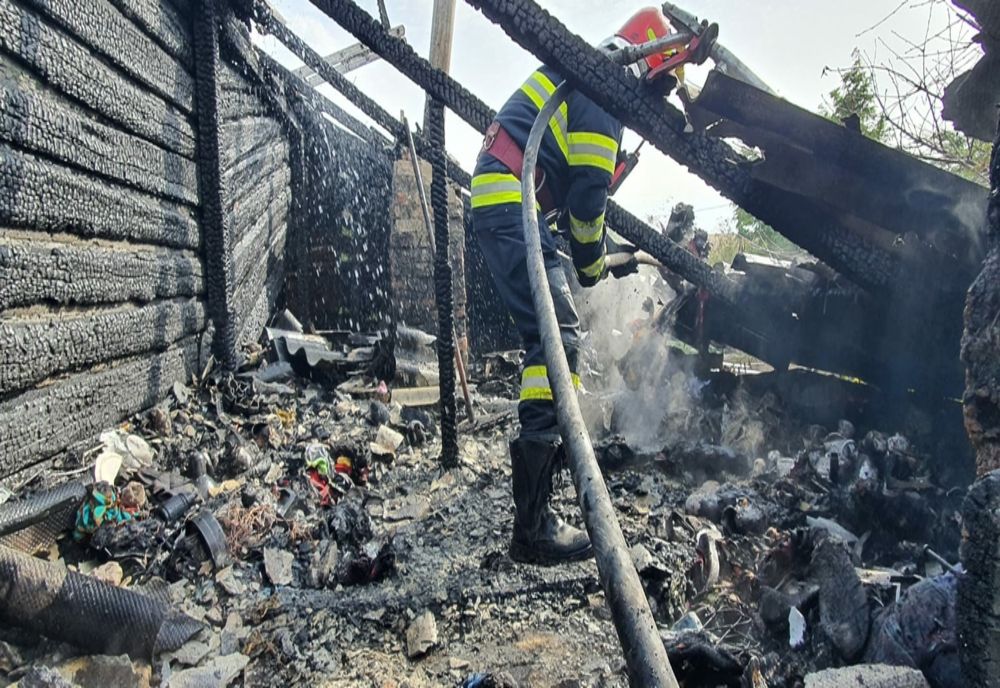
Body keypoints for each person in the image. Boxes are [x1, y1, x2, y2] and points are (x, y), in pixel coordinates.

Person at [471, 7, 688, 565]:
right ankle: (534, 526)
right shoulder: (606, 82)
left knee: (553, 340)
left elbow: (577, 210)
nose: (655, 100)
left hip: (509, 201)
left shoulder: (589, 77)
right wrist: (595, 266)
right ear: (654, 58)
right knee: (556, 341)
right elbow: (587, 204)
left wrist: (596, 261)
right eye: (664, 82)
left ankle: (537, 508)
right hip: (509, 201)